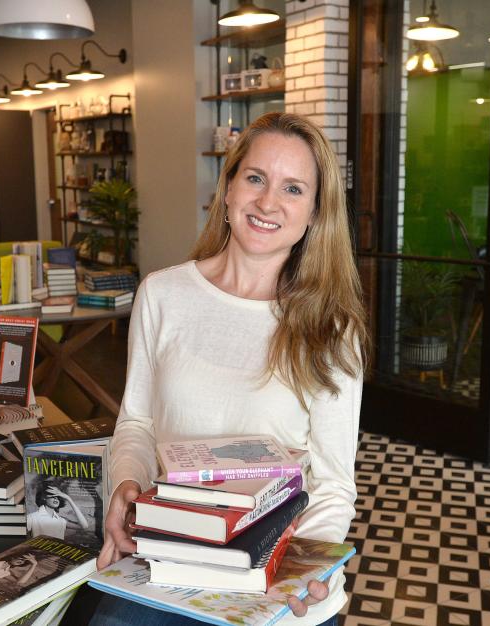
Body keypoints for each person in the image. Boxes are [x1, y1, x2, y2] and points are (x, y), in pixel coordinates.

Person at [91, 112, 369, 626]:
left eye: (293, 188)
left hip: (277, 582)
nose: (268, 203)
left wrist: (302, 568)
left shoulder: (331, 326)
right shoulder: (163, 294)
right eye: (256, 178)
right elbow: (136, 424)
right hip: (169, 562)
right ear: (230, 187)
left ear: (314, 213)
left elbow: (332, 483)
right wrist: (124, 485)